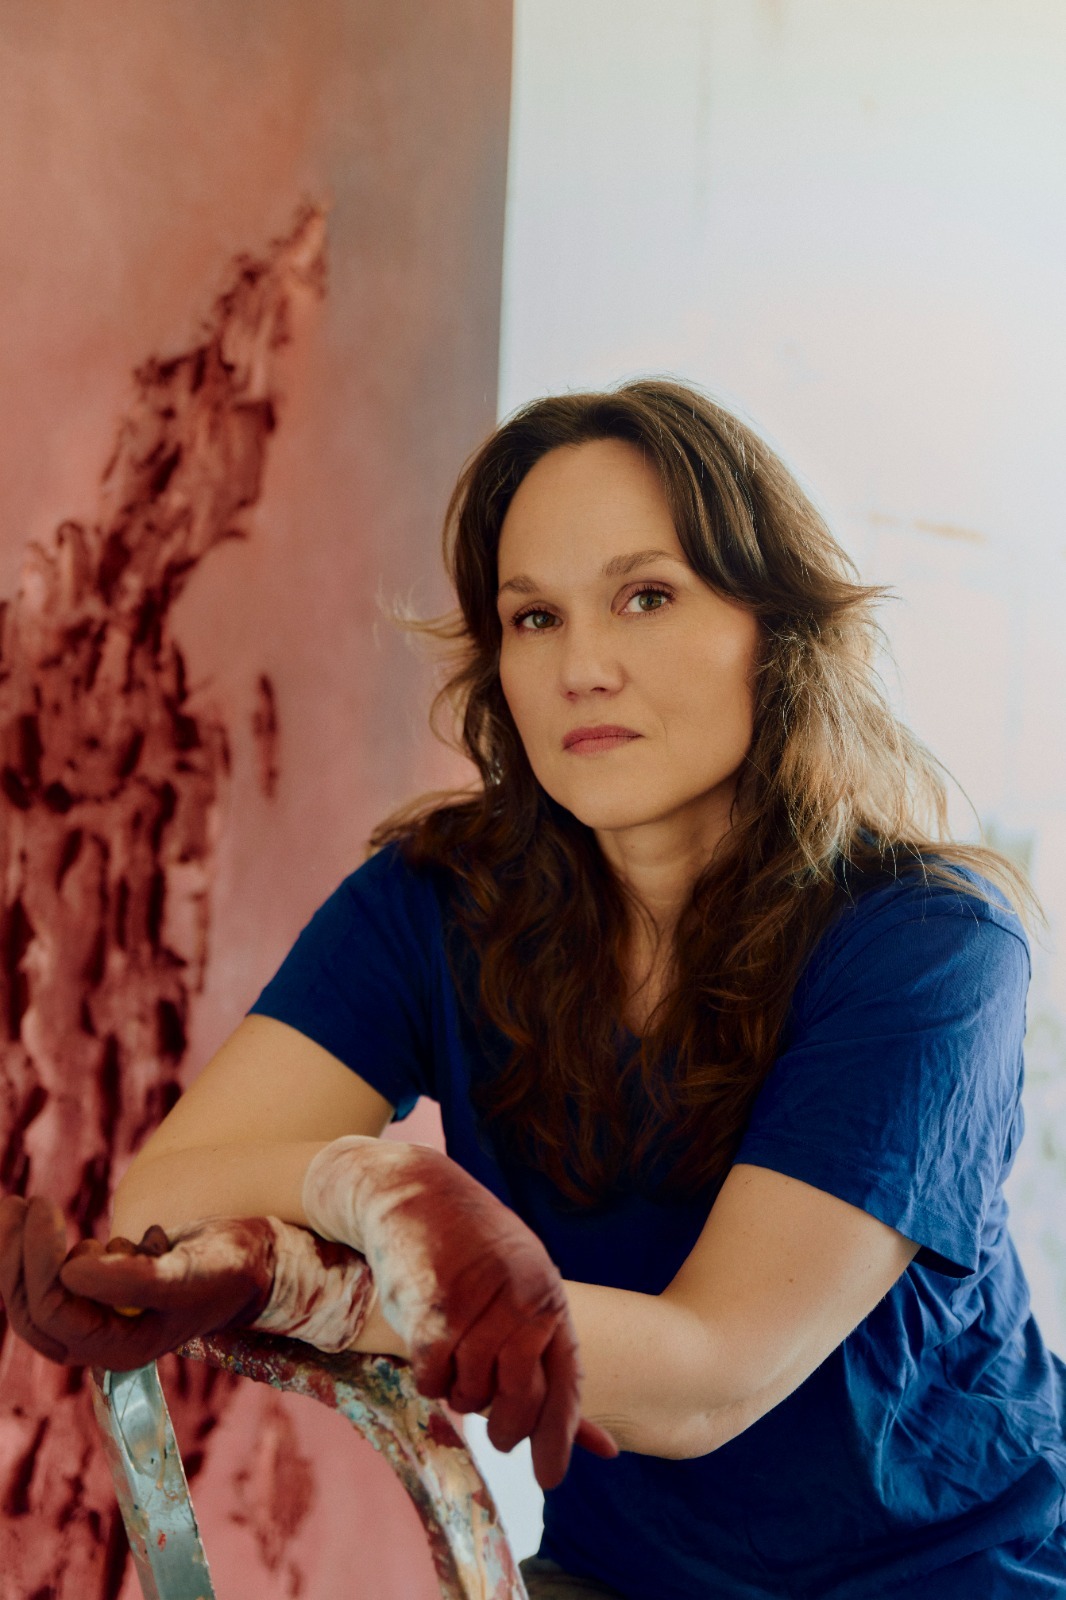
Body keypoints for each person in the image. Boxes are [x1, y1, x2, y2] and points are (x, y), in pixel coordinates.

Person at [2, 378, 1064, 1599]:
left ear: (775, 632)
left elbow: (708, 1376)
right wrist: (375, 1191)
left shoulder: (928, 944)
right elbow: (168, 1194)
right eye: (534, 616)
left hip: (950, 1573)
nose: (582, 667)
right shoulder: (435, 899)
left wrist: (342, 1281)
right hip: (623, 1579)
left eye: (646, 596)